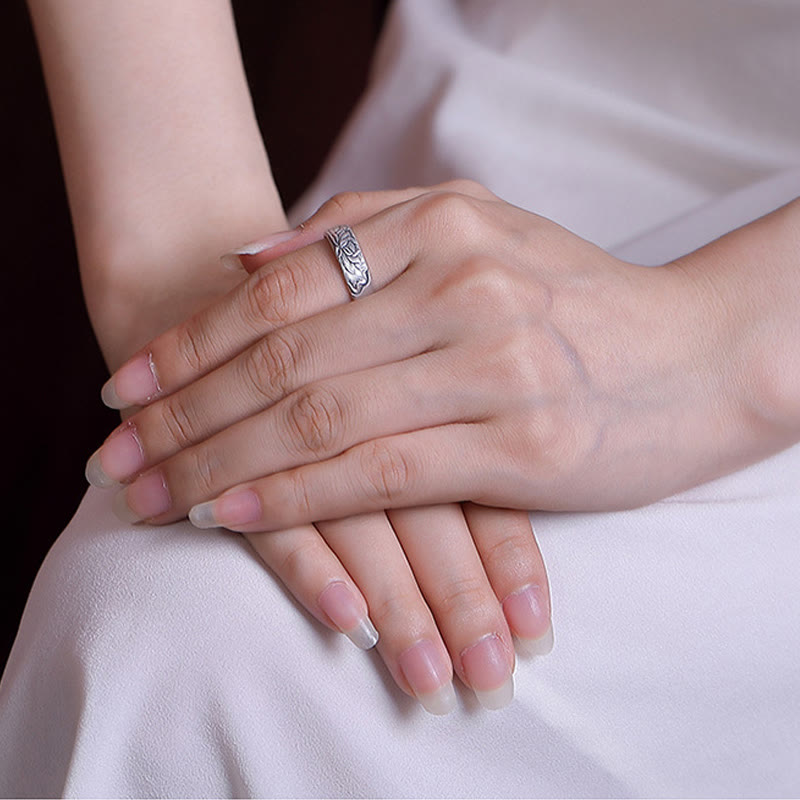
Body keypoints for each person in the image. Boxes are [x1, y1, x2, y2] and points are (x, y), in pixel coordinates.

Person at [1, 0, 799, 796]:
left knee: (217, 656)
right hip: (482, 133)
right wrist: (179, 235)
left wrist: (718, 346)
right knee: (150, 613)